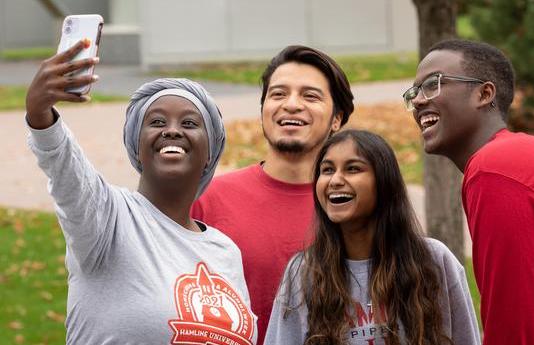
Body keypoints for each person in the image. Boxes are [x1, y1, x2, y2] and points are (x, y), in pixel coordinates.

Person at [25, 39, 257, 345]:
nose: (172, 130)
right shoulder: (108, 219)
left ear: (210, 154)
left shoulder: (225, 251)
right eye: (156, 122)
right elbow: (66, 169)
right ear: (137, 145)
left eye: (189, 123)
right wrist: (41, 115)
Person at [404, 38, 534, 344]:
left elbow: (515, 328)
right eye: (413, 93)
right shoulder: (516, 157)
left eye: (432, 84)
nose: (417, 101)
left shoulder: (496, 167)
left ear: (484, 93)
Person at [191, 45, 354, 341]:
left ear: (337, 119)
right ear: (263, 109)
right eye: (278, 94)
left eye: (310, 95)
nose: (291, 105)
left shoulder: (359, 204)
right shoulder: (207, 200)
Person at [264, 129, 481, 345]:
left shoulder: (434, 261)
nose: (335, 180)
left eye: (353, 169)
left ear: (384, 182)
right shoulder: (304, 271)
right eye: (327, 170)